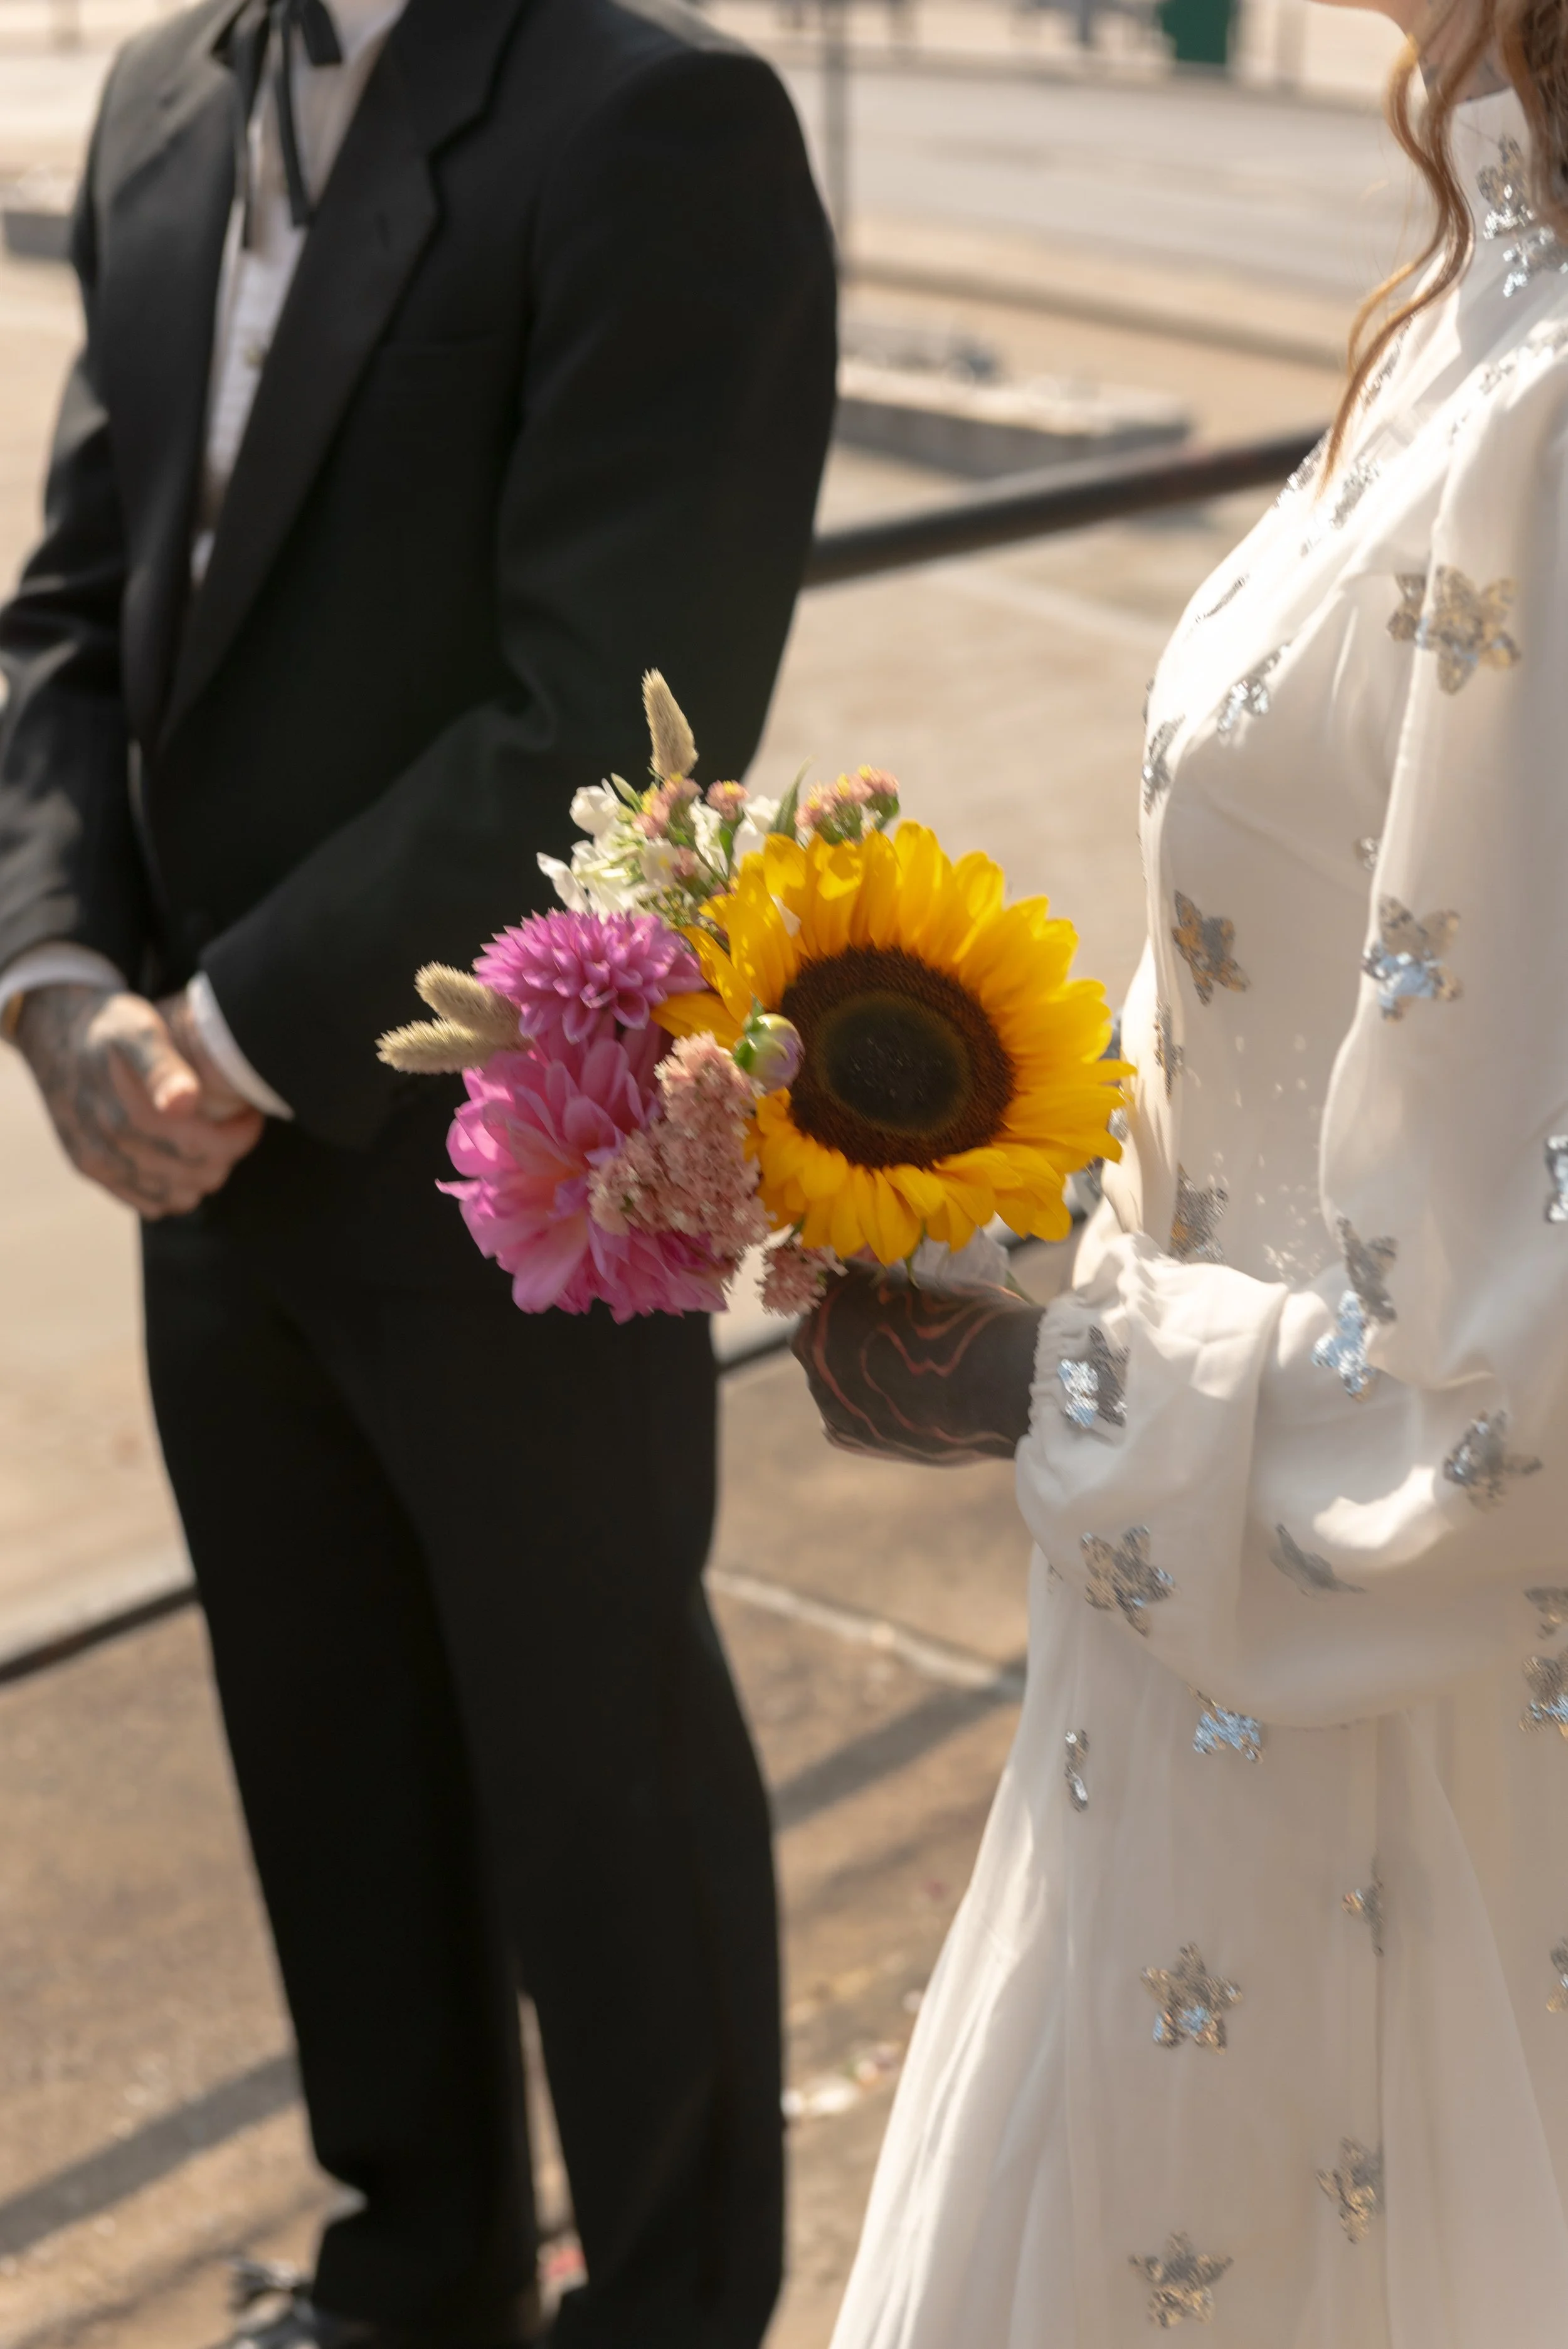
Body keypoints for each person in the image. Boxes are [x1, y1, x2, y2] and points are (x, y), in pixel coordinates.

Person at [0, 1, 836, 2343]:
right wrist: (56, 977)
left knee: (605, 1780)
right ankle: (414, 2275)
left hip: (516, 1140)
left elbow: (618, 700)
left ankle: (669, 2311)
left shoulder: (659, 113)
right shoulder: (167, 101)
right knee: (320, 1740)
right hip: (187, 1126)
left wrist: (239, 1027)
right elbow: (75, 616)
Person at [795, 0, 1568, 2336]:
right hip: (1184, 1653)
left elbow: (1512, 1373)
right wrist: (971, 1162)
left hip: (1360, 1726)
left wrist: (1057, 1377)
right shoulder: (1477, 283)